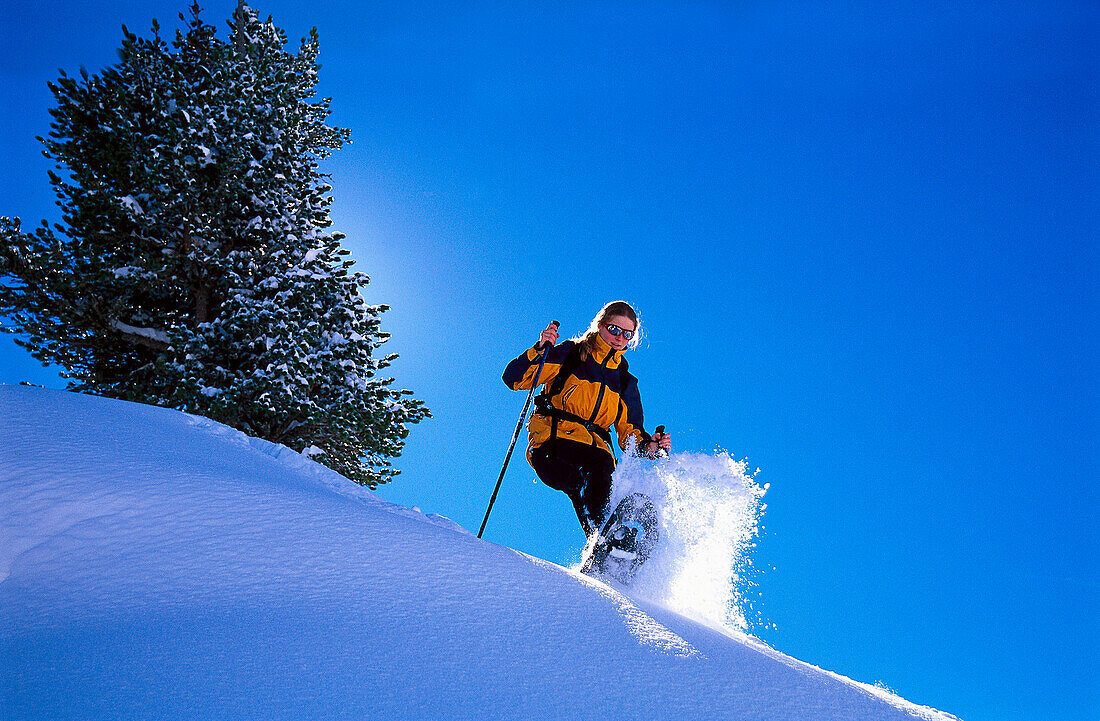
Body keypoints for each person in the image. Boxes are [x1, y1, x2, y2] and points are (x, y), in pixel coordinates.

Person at [502, 300, 671, 539]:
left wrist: (650, 445)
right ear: (600, 325)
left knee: (598, 481)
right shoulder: (572, 354)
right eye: (614, 329)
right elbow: (515, 378)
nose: (619, 338)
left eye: (627, 334)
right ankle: (608, 535)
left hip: (596, 456)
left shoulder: (624, 381)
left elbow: (630, 433)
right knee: (597, 467)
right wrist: (540, 350)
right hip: (553, 444)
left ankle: (608, 545)